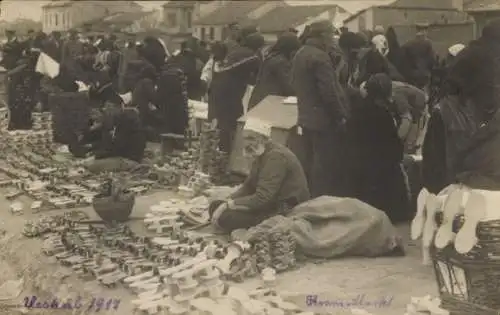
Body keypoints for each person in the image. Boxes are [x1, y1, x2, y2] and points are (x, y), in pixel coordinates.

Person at [210, 118, 310, 233]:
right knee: (215, 205)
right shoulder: (260, 152)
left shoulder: (276, 157)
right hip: (270, 203)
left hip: (284, 209)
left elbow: (262, 197)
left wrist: (229, 205)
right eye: (245, 138)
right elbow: (248, 186)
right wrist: (228, 200)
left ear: (264, 139)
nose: (247, 143)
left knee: (225, 217)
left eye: (251, 138)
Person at [291, 20, 350, 197]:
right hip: (323, 120)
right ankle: (321, 199)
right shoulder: (320, 57)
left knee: (309, 160)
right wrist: (341, 115)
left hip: (306, 116)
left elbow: (293, 82)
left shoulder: (301, 53)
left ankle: (308, 198)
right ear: (323, 35)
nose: (334, 38)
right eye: (332, 34)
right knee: (324, 163)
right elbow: (329, 92)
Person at [347, 73, 409, 223]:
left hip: (358, 169)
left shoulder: (356, 110)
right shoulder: (383, 115)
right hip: (381, 173)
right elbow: (394, 148)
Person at [209, 27, 261, 153]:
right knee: (231, 122)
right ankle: (227, 153)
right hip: (230, 91)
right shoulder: (252, 56)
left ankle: (220, 151)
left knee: (222, 121)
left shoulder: (236, 51)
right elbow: (257, 77)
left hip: (219, 88)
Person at [247, 32, 300, 110]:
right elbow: (288, 86)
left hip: (259, 101)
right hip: (269, 103)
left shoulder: (271, 57)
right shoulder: (281, 62)